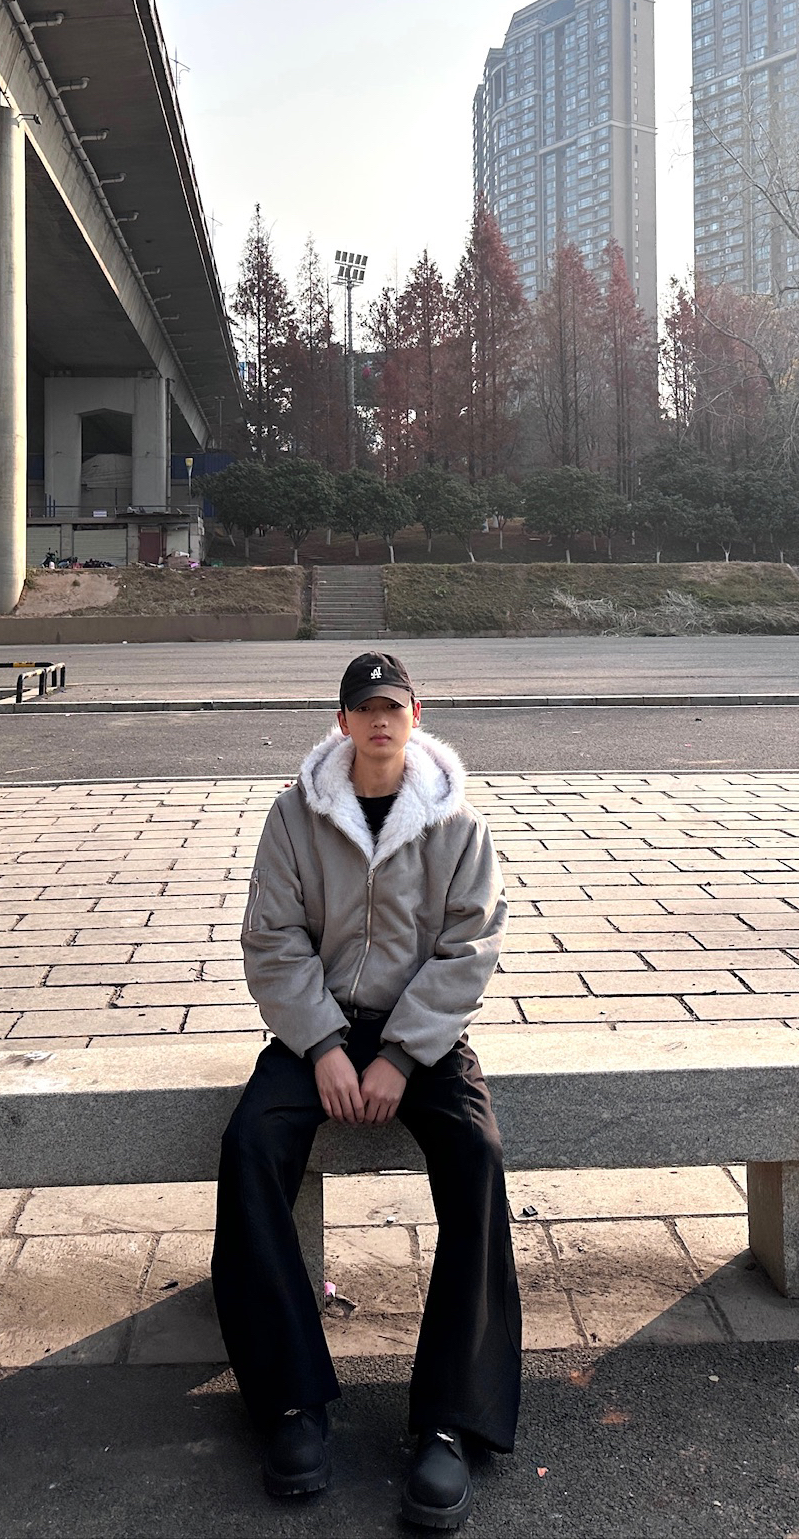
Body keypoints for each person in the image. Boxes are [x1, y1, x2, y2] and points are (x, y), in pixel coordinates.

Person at [212, 651, 520, 1530]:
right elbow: (272, 939)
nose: (380, 721)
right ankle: (290, 1403)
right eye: (364, 708)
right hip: (317, 1031)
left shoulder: (457, 822)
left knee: (477, 1154)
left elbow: (470, 947)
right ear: (342, 721)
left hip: (421, 1037)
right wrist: (321, 1045)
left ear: (416, 717)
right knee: (250, 1145)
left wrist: (402, 1056)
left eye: (394, 707)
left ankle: (451, 1422)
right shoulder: (294, 815)